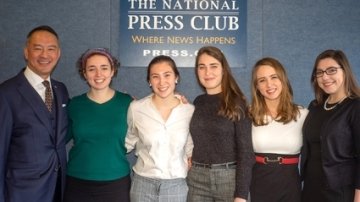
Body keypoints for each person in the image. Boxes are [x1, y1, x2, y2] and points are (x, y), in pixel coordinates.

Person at [0, 25, 69, 202]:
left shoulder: (60, 89)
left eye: (51, 49)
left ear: (58, 54)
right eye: (38, 48)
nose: (45, 55)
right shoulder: (6, 93)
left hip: (57, 188)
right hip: (22, 192)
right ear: (26, 52)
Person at [63, 48, 133, 202]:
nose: (98, 74)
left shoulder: (128, 103)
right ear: (84, 74)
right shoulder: (75, 105)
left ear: (113, 71)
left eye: (104, 68)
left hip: (116, 183)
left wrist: (175, 99)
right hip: (77, 182)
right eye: (91, 69)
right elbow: (58, 138)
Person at [187, 46, 254, 202]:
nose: (207, 72)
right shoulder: (198, 102)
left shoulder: (237, 103)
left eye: (213, 66)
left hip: (229, 180)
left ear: (224, 69)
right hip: (197, 179)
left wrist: (241, 195)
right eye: (201, 67)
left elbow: (246, 153)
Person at [125, 55, 194, 202]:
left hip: (176, 187)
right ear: (149, 81)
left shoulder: (189, 110)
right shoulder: (136, 108)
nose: (162, 82)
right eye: (155, 77)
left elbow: (190, 148)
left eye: (167, 75)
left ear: (176, 78)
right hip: (142, 184)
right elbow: (127, 141)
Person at [301, 49, 360, 202]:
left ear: (345, 71)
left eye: (331, 70)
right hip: (310, 188)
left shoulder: (355, 107)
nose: (325, 77)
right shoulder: (314, 106)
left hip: (339, 192)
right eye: (319, 72)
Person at [249, 57, 308, 202]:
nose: (269, 84)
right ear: (256, 86)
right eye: (262, 80)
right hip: (257, 183)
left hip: (290, 184)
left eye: (274, 77)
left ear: (283, 79)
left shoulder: (303, 115)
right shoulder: (248, 115)